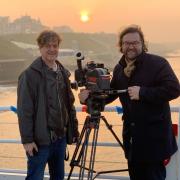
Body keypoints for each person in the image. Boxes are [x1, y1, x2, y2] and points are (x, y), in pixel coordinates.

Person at [79, 25, 180, 180]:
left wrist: (143, 93)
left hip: (154, 142)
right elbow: (109, 94)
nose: (131, 46)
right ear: (121, 46)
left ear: (142, 44)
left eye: (135, 43)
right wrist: (89, 96)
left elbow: (174, 89)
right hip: (132, 141)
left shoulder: (158, 63)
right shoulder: (120, 69)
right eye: (127, 43)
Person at [17, 30, 79, 180]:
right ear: (40, 48)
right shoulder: (29, 75)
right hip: (40, 142)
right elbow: (25, 111)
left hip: (60, 139)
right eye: (47, 46)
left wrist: (73, 131)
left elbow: (69, 105)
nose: (52, 49)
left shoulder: (62, 73)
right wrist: (27, 140)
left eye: (55, 45)